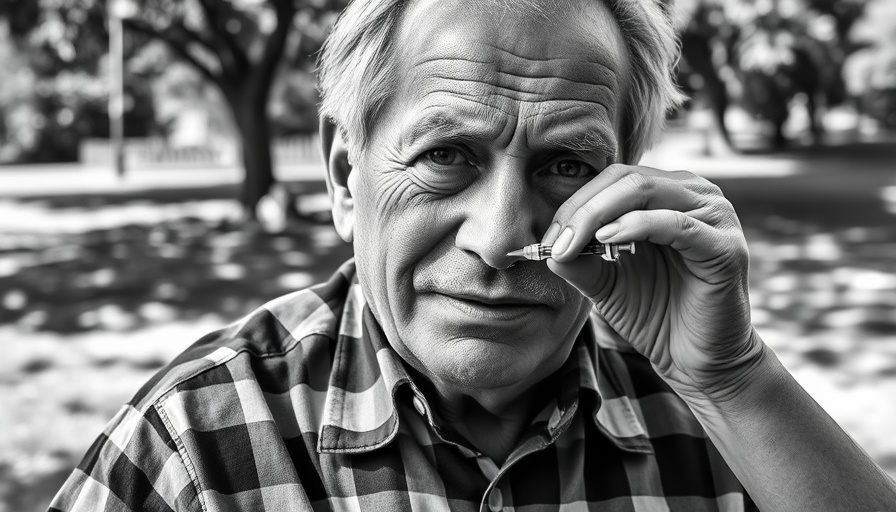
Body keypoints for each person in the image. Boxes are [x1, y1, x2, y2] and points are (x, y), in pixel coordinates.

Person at [50, 0, 896, 510]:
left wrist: (735, 382)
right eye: (445, 155)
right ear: (348, 179)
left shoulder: (725, 421)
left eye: (567, 166)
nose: (497, 239)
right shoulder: (197, 441)